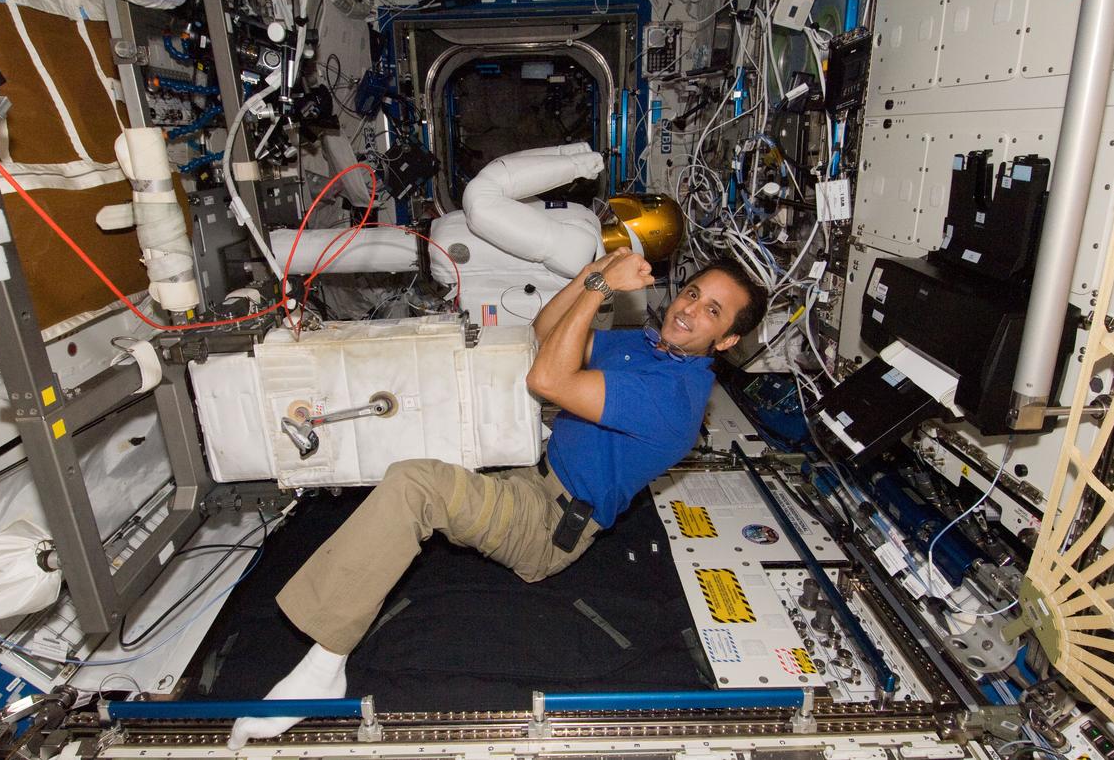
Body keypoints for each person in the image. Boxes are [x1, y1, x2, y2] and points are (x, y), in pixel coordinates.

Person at [227, 250, 767, 748]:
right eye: (693, 293)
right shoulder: (647, 348)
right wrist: (591, 273)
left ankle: (324, 665)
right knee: (429, 431)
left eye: (713, 311)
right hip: (532, 470)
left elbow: (548, 379)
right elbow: (546, 333)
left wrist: (600, 288)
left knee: (417, 486)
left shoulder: (675, 398)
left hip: (547, 525)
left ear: (724, 341)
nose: (690, 309)